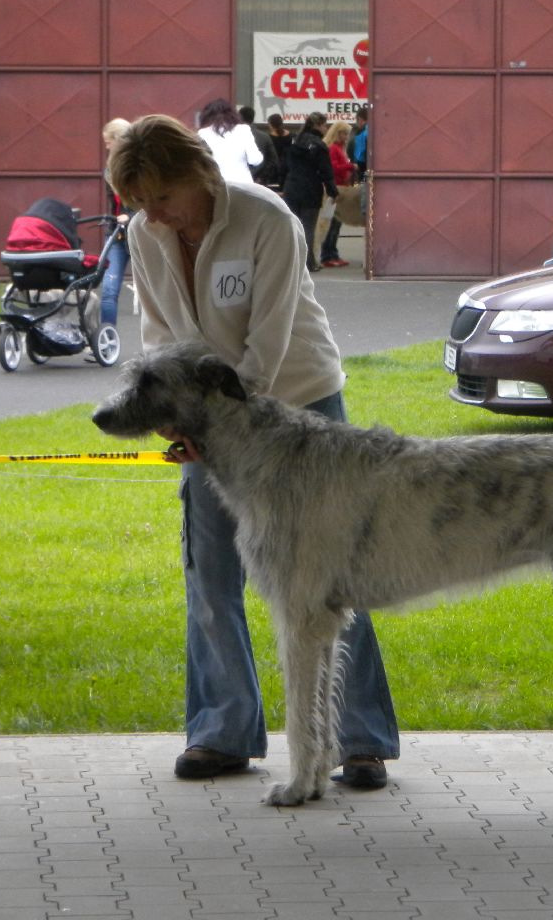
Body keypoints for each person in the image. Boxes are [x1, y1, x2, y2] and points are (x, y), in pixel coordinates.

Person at [107, 114, 399, 788]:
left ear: (201, 176)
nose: (153, 215)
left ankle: (363, 739)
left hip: (298, 397)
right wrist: (177, 420)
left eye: (163, 198)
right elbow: (156, 331)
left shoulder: (269, 219)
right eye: (140, 203)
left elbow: (266, 345)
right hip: (203, 417)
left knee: (333, 575)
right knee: (210, 570)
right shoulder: (144, 234)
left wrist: (219, 424)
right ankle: (221, 730)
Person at [281, 112, 336, 273]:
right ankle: (308, 263)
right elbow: (326, 171)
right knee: (308, 227)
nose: (326, 129)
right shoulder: (319, 145)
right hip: (310, 189)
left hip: (291, 187)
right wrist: (333, 190)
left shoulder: (293, 140)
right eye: (325, 125)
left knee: (292, 226)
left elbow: (284, 165)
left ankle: (291, 262)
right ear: (318, 125)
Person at [97, 118, 132, 331]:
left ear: (119, 140)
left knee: (151, 291)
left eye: (108, 141)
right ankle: (107, 337)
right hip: (117, 234)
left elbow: (147, 200)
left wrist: (131, 215)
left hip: (140, 232)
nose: (106, 146)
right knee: (109, 288)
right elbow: (114, 204)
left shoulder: (140, 167)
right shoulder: (110, 170)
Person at [196, 98, 262, 185]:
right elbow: (255, 159)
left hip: (217, 184)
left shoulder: (202, 133)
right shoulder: (243, 130)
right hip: (243, 184)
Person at [319, 120, 354, 268]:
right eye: (344, 133)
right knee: (332, 223)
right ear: (337, 133)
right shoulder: (333, 148)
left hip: (340, 187)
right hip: (335, 188)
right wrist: (350, 166)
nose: (346, 136)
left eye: (347, 133)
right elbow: (333, 167)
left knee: (336, 224)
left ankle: (332, 253)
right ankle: (328, 255)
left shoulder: (340, 148)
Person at [238, 105, 279, 189]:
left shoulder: (231, 137)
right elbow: (273, 161)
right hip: (259, 183)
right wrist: (262, 178)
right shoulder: (265, 137)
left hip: (238, 182)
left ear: (239, 118)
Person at [266, 113, 293, 186]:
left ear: (271, 125)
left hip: (274, 171)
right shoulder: (292, 136)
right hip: (289, 169)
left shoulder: (268, 138)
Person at [350, 105, 369, 182]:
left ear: (360, 119)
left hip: (364, 172)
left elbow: (359, 156)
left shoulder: (361, 133)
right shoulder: (377, 130)